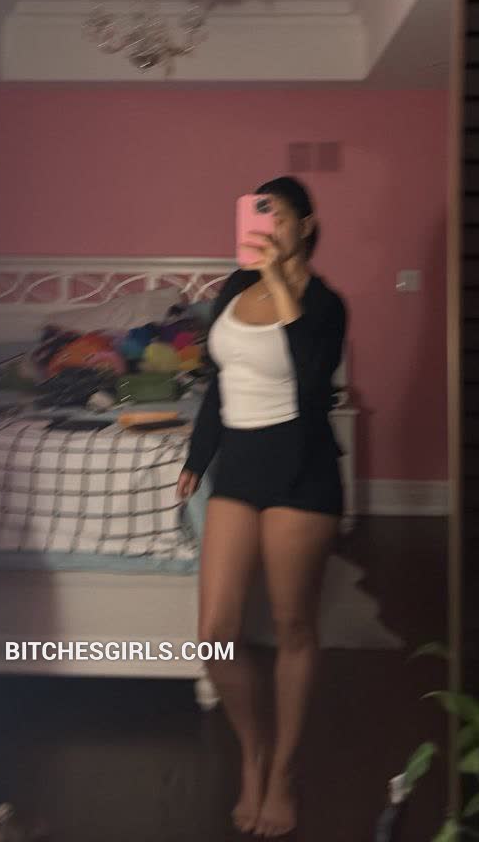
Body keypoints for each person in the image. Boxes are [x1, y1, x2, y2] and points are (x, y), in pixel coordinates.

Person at [176, 176, 347, 838]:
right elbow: (219, 383)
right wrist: (198, 458)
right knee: (215, 634)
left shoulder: (325, 305)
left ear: (307, 225)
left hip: (302, 472)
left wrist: (280, 283)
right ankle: (254, 750)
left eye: (279, 216)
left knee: (293, 626)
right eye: (258, 214)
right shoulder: (231, 289)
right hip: (239, 470)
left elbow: (313, 384)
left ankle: (283, 772)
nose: (267, 226)